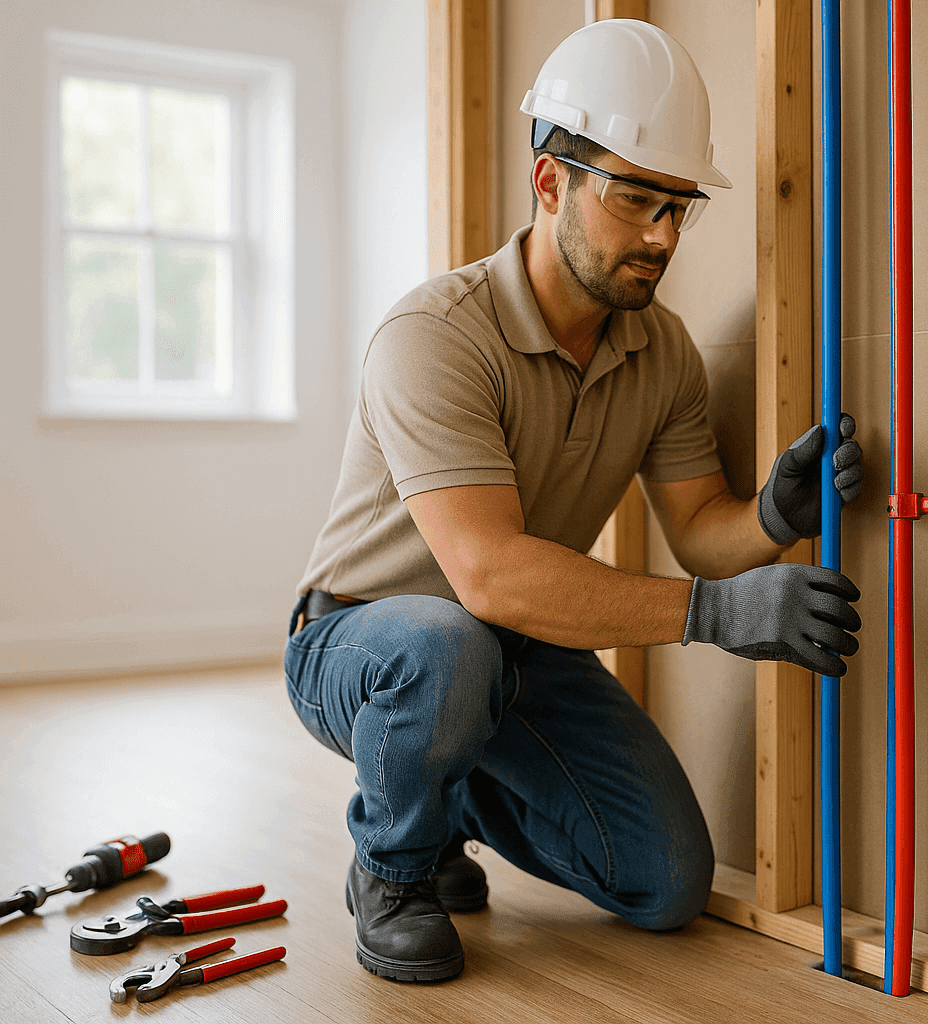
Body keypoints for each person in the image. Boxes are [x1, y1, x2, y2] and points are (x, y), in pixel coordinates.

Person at [283, 20, 863, 984]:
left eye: (680, 207)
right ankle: (392, 867)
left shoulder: (661, 351)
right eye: (636, 198)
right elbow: (487, 573)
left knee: (667, 880)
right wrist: (718, 617)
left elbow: (697, 535)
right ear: (551, 182)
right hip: (364, 643)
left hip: (513, 649)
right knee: (444, 645)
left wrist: (770, 517)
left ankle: (445, 792)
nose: (663, 235)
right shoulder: (435, 336)